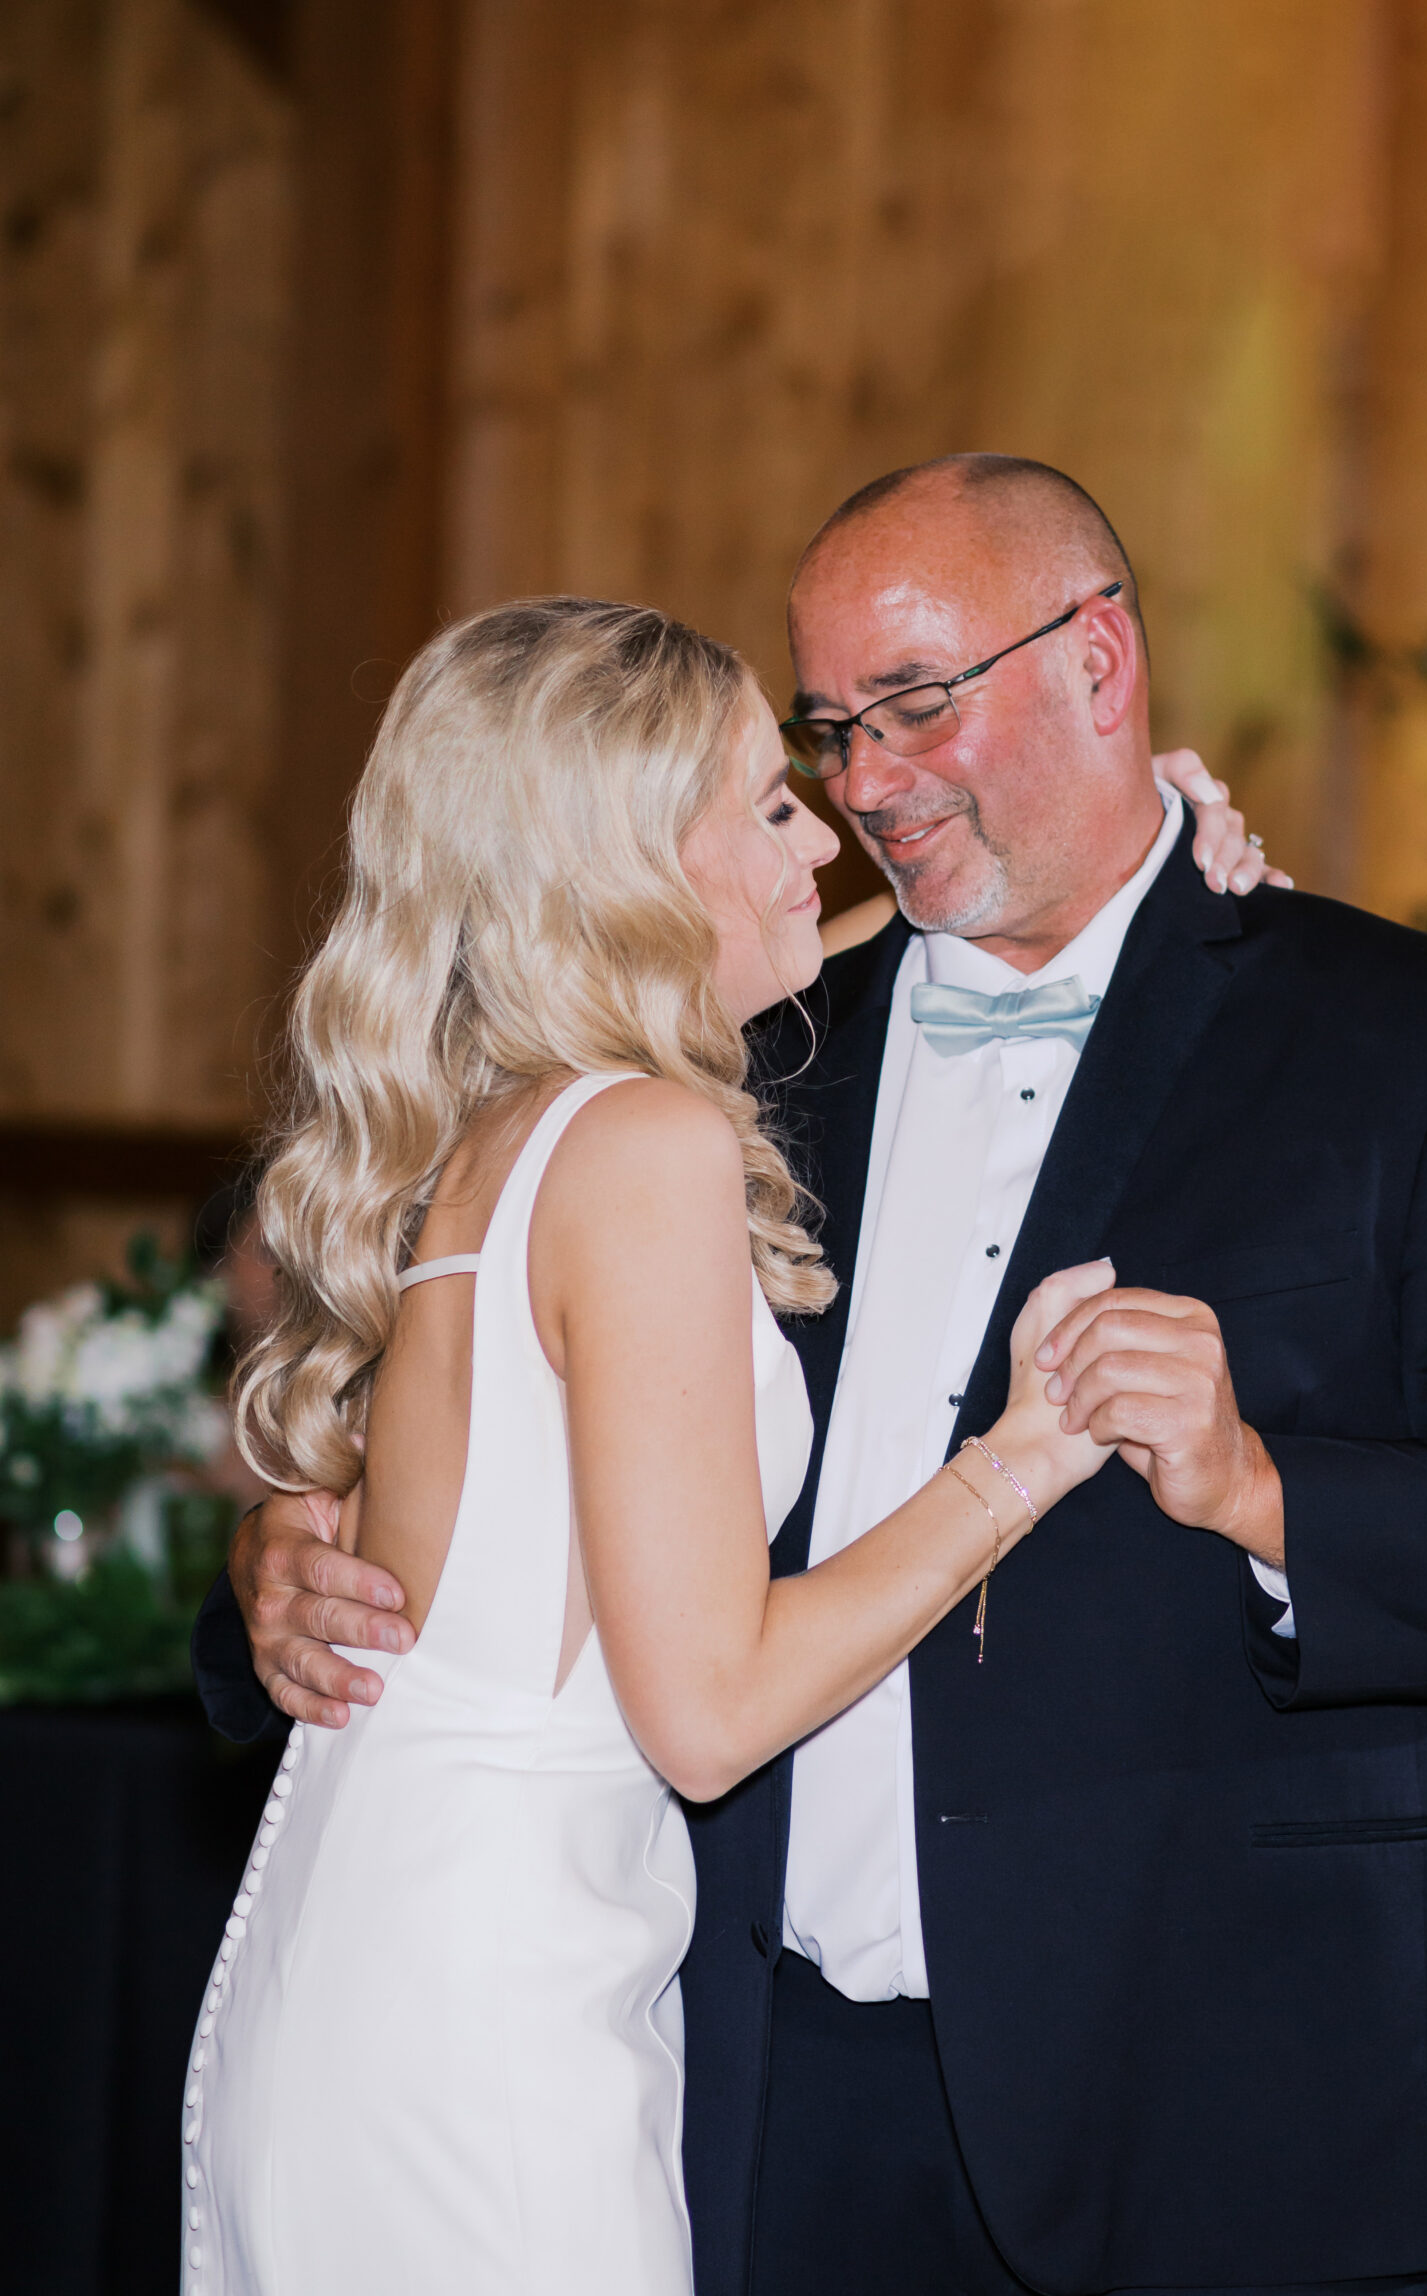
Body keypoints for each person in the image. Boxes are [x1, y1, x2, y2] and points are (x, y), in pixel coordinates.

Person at [203, 454, 1427, 2296]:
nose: (865, 789)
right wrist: (285, 1565)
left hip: (1207, 2121)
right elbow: (474, 1440)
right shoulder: (730, 1055)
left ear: (1101, 662)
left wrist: (1264, 1491)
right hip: (756, 2112)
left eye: (916, 705)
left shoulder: (1413, 1043)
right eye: (828, 732)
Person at [180, 596, 1144, 2296]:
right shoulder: (640, 1149)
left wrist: (1141, 852)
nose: (825, 833)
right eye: (771, 806)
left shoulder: (515, 1123)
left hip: (391, 1943)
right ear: (631, 862)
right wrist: (1025, 1451)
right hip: (490, 2016)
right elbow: (707, 1720)